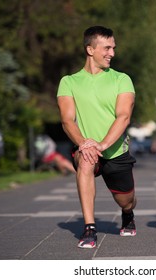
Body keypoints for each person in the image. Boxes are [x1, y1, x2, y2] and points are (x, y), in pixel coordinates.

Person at [57, 26, 137, 249]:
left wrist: (101, 144)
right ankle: (90, 228)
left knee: (126, 199)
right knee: (85, 161)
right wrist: (84, 143)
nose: (112, 53)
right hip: (86, 148)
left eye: (114, 48)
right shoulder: (69, 82)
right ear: (90, 49)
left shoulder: (122, 79)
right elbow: (67, 120)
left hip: (115, 150)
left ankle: (128, 214)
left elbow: (123, 116)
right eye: (107, 48)